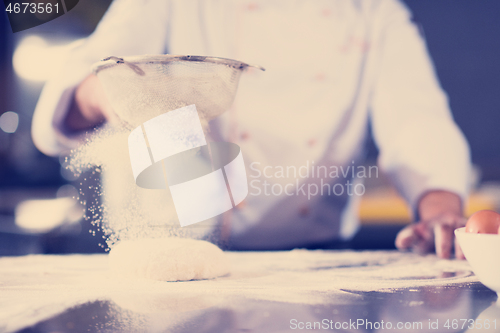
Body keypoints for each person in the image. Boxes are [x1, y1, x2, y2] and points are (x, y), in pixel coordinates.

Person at [32, 0, 470, 258]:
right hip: (178, 254)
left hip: (313, 264)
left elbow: (417, 118)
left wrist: (440, 208)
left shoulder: (374, 11)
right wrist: (111, 95)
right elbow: (84, 79)